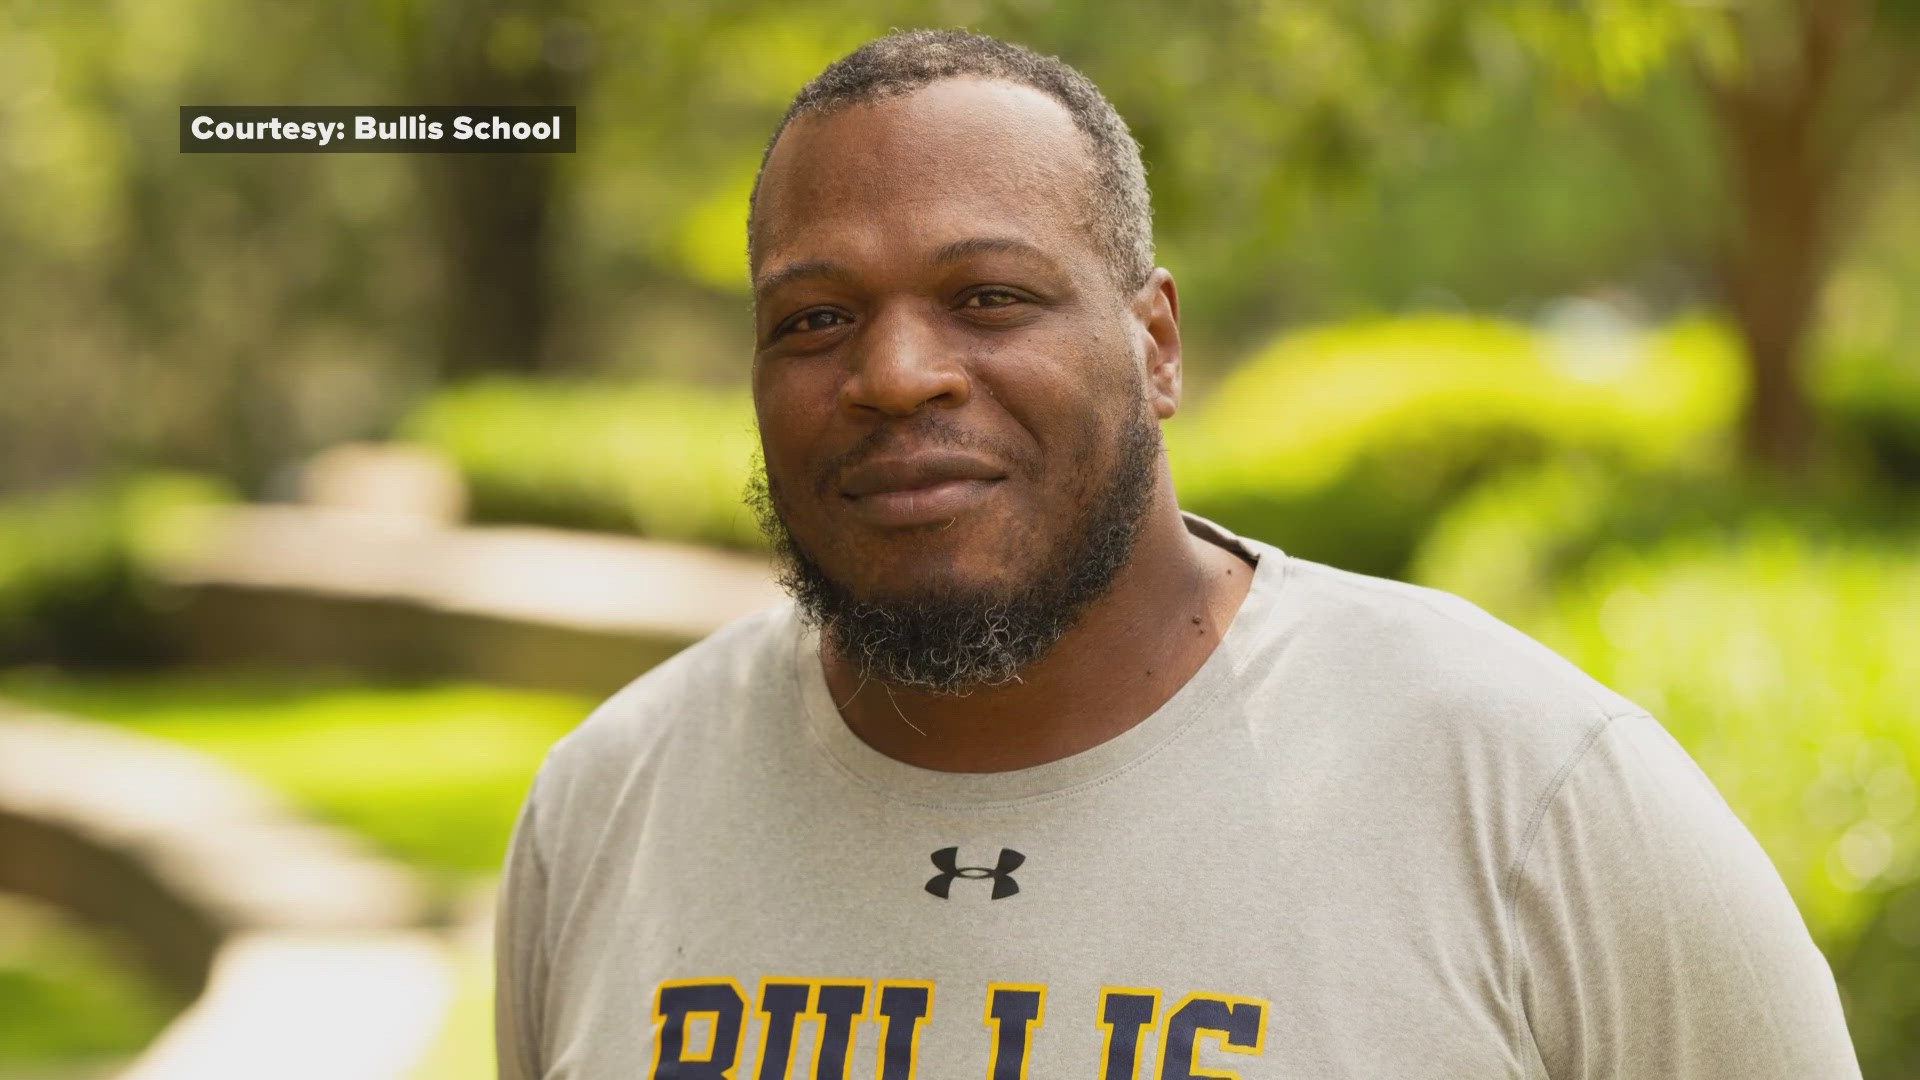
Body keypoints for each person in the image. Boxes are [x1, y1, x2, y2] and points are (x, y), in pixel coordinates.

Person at [494, 29, 1861, 1080]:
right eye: (814, 319)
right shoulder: (612, 804)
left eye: (990, 296)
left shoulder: (1528, 792)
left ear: (1155, 344)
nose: (897, 373)